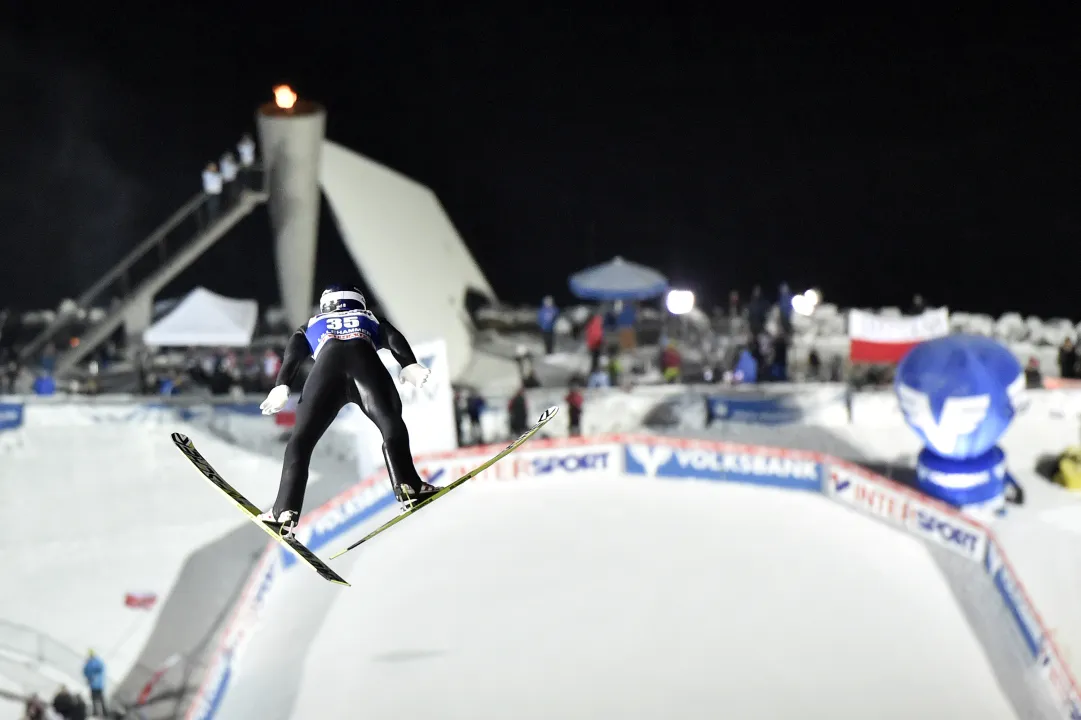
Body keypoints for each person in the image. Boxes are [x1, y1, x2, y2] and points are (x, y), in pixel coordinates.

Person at [258, 285, 438, 536]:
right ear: (359, 302)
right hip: (365, 364)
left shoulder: (312, 323)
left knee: (301, 440)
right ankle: (408, 486)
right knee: (390, 424)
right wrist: (408, 364)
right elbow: (393, 337)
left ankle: (283, 511)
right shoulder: (369, 317)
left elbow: (293, 354)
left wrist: (282, 385)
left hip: (325, 371)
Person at [82, 650, 107, 718]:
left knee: (98, 699)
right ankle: (100, 712)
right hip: (96, 685)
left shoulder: (93, 662)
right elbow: (85, 671)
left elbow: (86, 671)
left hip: (96, 685)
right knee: (97, 699)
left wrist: (89, 678)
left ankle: (101, 712)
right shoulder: (96, 662)